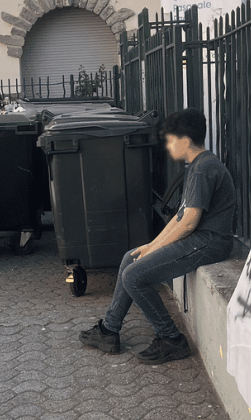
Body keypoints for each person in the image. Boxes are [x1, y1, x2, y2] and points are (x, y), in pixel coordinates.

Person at [79, 109, 236, 365]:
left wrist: (153, 250)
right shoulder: (198, 165)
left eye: (171, 140)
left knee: (134, 276)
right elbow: (179, 218)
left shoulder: (203, 169)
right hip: (199, 240)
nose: (168, 146)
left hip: (210, 243)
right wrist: (151, 246)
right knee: (131, 258)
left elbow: (188, 223)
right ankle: (109, 330)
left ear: (185, 140)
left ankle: (171, 339)